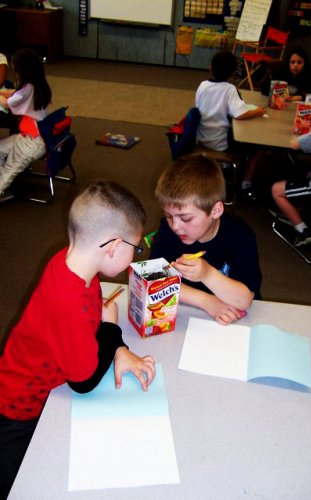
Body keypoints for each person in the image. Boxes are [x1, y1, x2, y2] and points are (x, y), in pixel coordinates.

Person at [0, 179, 156, 499]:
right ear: (113, 246)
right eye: (135, 247)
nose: (135, 254)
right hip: (21, 408)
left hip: (30, 379)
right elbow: (83, 381)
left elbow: (91, 323)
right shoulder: (67, 299)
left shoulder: (71, 263)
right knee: (17, 484)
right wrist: (112, 332)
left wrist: (118, 348)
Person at [150, 153, 262, 325]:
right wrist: (206, 301)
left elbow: (244, 300)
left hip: (237, 318)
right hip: (191, 313)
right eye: (169, 216)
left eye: (186, 218)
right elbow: (154, 279)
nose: (175, 226)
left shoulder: (239, 235)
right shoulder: (168, 230)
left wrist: (207, 274)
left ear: (216, 211)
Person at [241, 47, 311, 200]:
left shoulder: (308, 77)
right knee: (263, 142)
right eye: (292, 62)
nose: (295, 65)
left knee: (297, 137)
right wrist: (288, 95)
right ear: (288, 63)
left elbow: (309, 96)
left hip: (296, 116)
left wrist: (291, 98)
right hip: (276, 113)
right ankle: (247, 182)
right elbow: (264, 90)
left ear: (304, 64)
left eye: (299, 62)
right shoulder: (280, 74)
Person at [271, 88, 311, 247]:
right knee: (306, 171)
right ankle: (297, 210)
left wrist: (303, 135)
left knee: (276, 190)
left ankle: (303, 230)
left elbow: (296, 144)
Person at [0, 48, 52, 203]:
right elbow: (15, 93)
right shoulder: (37, 84)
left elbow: (7, 103)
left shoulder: (25, 91)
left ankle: (2, 187)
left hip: (32, 143)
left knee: (9, 170)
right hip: (30, 137)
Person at [195, 50, 265, 152]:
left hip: (201, 139)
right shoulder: (230, 89)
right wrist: (258, 112)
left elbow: (198, 107)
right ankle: (244, 168)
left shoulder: (202, 85)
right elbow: (240, 114)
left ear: (211, 68)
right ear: (232, 73)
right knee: (258, 148)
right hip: (220, 144)